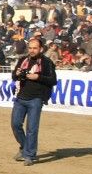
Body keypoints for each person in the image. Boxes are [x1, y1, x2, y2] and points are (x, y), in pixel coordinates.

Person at [10, 37, 57, 166]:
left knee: (32, 129)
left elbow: (53, 80)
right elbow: (13, 76)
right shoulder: (23, 60)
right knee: (15, 125)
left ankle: (30, 155)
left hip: (36, 99)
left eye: (35, 48)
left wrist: (38, 77)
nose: (32, 50)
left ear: (41, 49)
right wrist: (17, 73)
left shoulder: (47, 63)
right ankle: (25, 148)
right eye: (30, 48)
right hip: (20, 97)